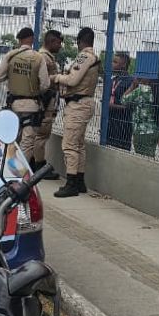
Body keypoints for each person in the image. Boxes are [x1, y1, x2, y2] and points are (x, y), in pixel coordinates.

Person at [0, 27, 52, 164]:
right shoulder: (39, 57)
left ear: (19, 40)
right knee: (27, 142)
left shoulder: (11, 56)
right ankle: (21, 172)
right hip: (32, 106)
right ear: (32, 39)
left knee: (12, 139)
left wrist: (10, 76)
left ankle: (8, 166)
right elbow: (45, 84)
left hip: (14, 105)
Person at [53, 27, 101, 198]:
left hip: (78, 104)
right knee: (79, 144)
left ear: (80, 41)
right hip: (84, 103)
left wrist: (57, 78)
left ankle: (71, 183)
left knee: (70, 145)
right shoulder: (92, 57)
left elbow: (73, 80)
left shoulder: (84, 56)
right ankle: (79, 181)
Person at [33, 30, 63, 180]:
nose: (60, 46)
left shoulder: (44, 56)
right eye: (58, 42)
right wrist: (59, 78)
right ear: (51, 42)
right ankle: (39, 165)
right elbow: (42, 80)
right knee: (42, 133)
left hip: (45, 100)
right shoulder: (44, 57)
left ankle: (35, 163)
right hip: (45, 101)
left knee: (40, 133)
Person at [106, 53, 134, 151]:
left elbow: (130, 105)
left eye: (115, 62)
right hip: (109, 123)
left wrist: (111, 106)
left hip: (123, 125)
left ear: (123, 64)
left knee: (121, 151)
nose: (112, 64)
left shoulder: (131, 82)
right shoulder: (112, 80)